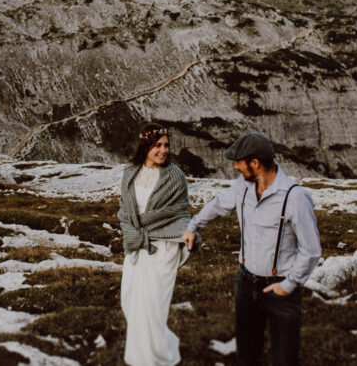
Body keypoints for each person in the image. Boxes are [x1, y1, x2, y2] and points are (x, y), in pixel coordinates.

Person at [182, 132, 320, 366]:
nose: (235, 166)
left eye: (239, 162)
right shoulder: (243, 186)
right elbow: (219, 205)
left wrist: (289, 285)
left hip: (280, 287)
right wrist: (193, 226)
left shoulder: (294, 197)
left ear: (255, 163)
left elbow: (311, 249)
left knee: (284, 359)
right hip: (245, 282)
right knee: (247, 354)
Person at [117, 123, 195, 366]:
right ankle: (146, 353)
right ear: (146, 146)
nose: (163, 150)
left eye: (166, 146)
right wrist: (132, 233)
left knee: (152, 306)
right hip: (137, 245)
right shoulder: (130, 174)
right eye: (157, 146)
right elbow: (124, 211)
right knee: (130, 301)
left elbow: (180, 211)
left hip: (163, 247)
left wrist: (189, 230)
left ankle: (154, 359)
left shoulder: (174, 176)